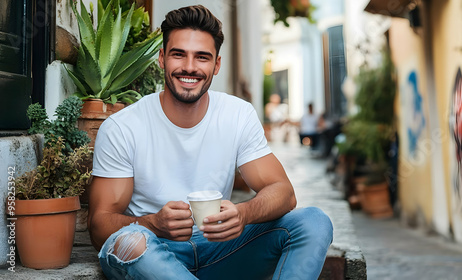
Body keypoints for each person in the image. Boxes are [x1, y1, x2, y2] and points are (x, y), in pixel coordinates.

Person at [88, 5, 333, 279]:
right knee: (129, 243)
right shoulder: (123, 127)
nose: (189, 67)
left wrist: (244, 214)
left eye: (202, 57)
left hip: (222, 250)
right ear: (161, 59)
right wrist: (153, 223)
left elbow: (284, 193)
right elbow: (99, 226)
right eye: (178, 54)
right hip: (154, 252)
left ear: (216, 64)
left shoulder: (237, 114)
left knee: (313, 222)